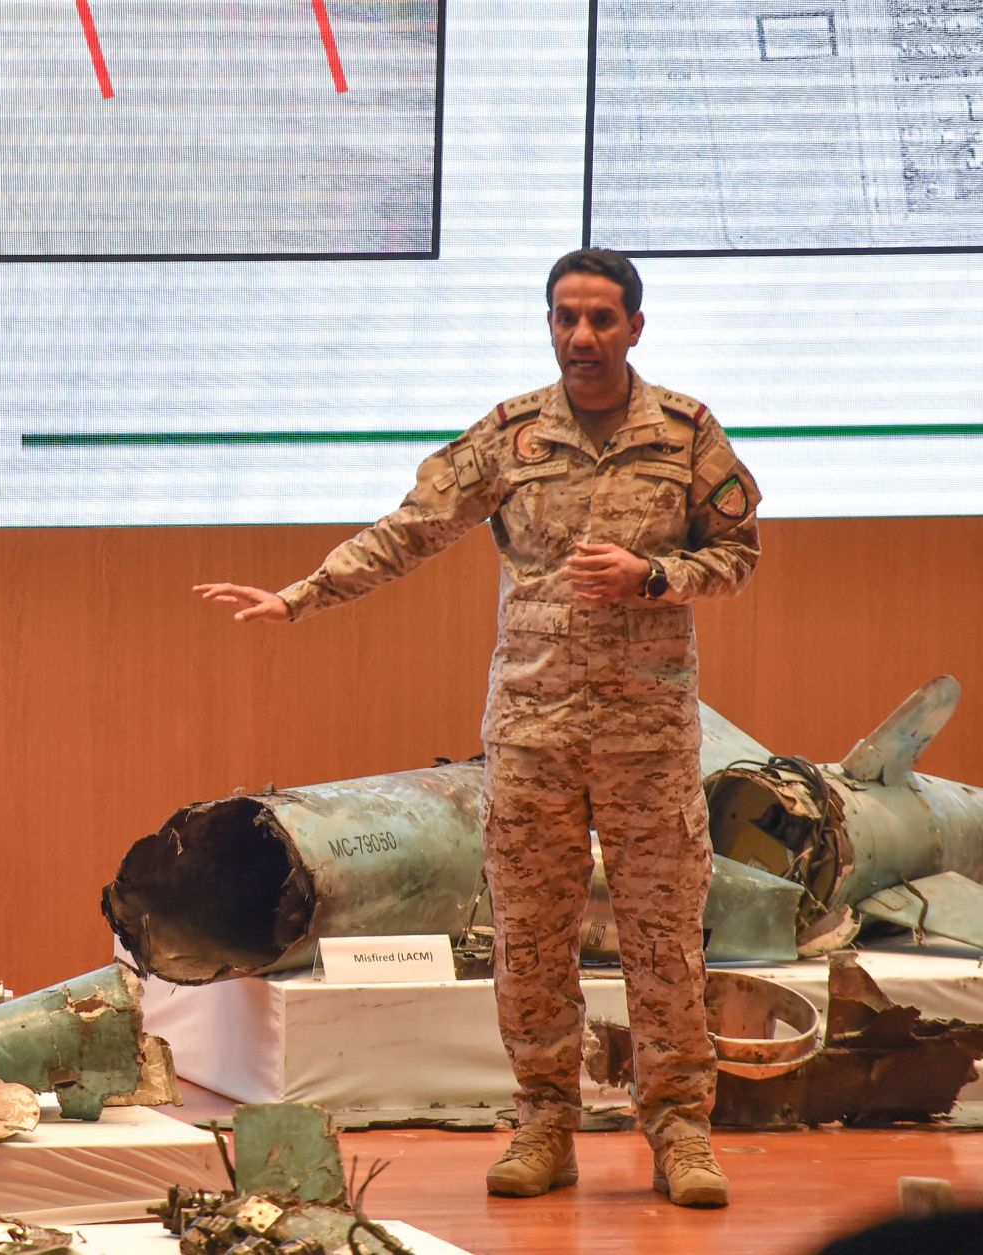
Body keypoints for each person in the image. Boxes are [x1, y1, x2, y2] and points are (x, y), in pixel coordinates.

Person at [194, 248, 760, 1209]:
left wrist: (655, 577)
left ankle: (680, 1131)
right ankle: (544, 1119)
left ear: (635, 328)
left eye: (603, 319)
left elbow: (739, 551)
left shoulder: (686, 432)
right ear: (550, 325)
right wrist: (300, 596)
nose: (583, 337)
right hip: (534, 732)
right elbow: (409, 528)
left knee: (665, 938)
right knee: (531, 939)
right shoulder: (511, 435)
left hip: (649, 736)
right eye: (566, 318)